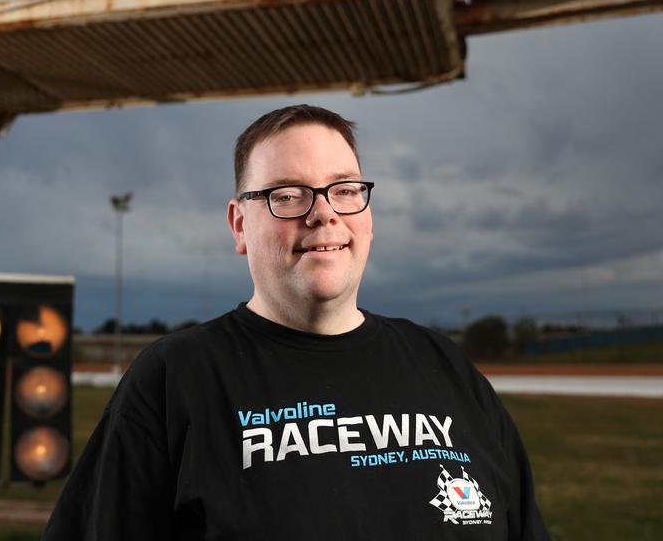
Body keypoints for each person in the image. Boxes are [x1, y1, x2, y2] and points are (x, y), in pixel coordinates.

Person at [44, 104, 549, 540]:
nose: (323, 214)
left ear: (367, 214)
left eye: (344, 190)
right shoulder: (176, 378)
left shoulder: (445, 367)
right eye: (287, 195)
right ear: (239, 224)